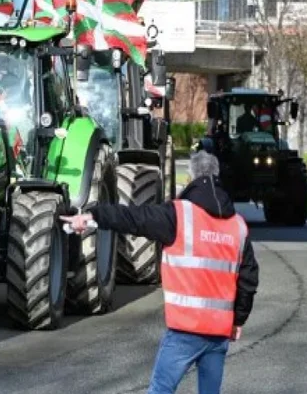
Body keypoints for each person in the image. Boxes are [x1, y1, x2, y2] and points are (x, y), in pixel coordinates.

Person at [60, 150, 259, 394]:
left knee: (160, 390)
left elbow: (134, 218)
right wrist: (238, 319)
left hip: (185, 332)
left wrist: (92, 218)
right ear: (217, 176)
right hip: (219, 333)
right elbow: (249, 278)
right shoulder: (237, 226)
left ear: (191, 178)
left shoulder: (179, 214)